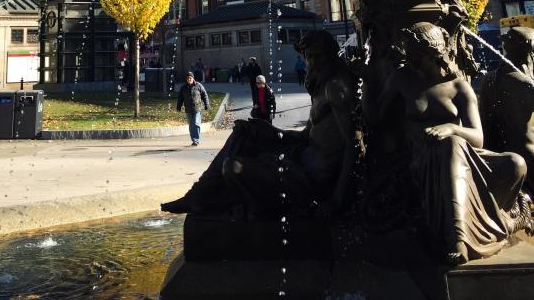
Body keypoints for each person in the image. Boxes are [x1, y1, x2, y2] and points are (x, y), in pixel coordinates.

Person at [163, 31, 361, 220]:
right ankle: (199, 194)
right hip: (301, 158)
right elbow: (305, 136)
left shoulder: (336, 87)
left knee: (233, 167)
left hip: (312, 178)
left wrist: (336, 200)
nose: (313, 63)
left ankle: (234, 206)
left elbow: (354, 144)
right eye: (309, 57)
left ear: (331, 55)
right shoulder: (322, 87)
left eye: (318, 57)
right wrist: (270, 131)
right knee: (245, 131)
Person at [375, 23, 527, 265]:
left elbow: (478, 138)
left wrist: (452, 128)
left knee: (515, 163)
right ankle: (457, 237)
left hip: (465, 156)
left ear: (434, 53)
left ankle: (496, 218)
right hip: (423, 159)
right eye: (410, 54)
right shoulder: (402, 79)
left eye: (417, 56)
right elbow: (375, 120)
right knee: (452, 145)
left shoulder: (459, 86)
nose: (412, 61)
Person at [479, 26, 534, 195]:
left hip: (498, 155)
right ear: (530, 49)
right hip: (529, 157)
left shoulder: (489, 79)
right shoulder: (527, 84)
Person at [177, 70, 210, 146]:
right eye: (188, 78)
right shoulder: (183, 88)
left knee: (196, 123)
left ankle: (196, 140)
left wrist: (206, 105)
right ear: (186, 79)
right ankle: (193, 139)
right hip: (188, 109)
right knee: (191, 125)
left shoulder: (198, 86)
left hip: (197, 108)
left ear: (193, 78)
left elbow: (204, 95)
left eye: (190, 78)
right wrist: (179, 106)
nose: (189, 79)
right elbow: (180, 98)